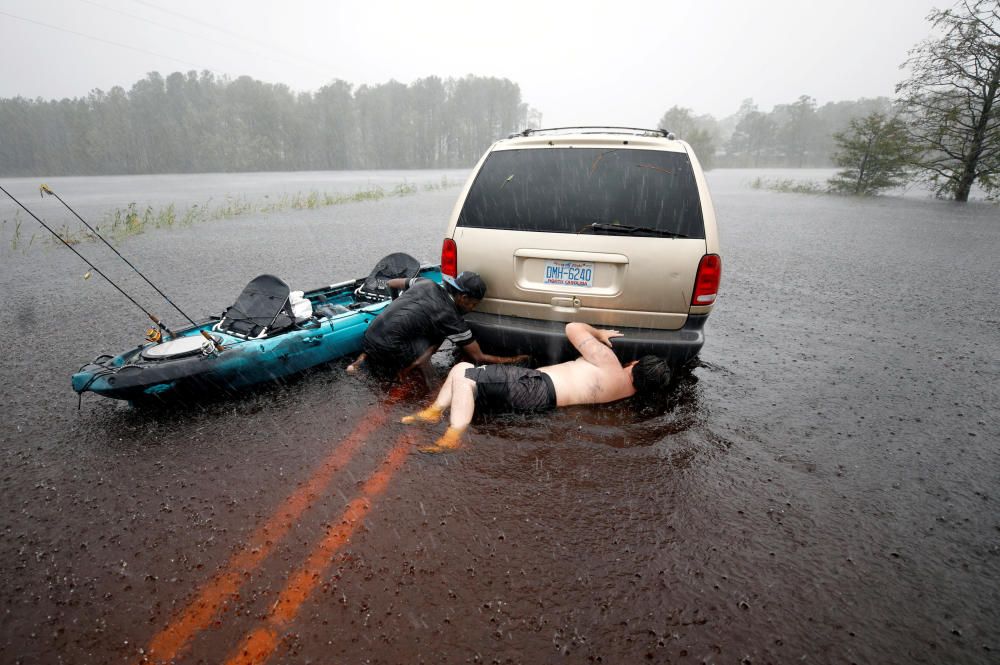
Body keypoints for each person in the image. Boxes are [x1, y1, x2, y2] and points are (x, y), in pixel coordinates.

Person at [401, 322, 673, 452]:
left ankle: (453, 435)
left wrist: (599, 334)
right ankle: (435, 410)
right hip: (539, 400)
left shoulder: (610, 364)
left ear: (634, 363)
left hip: (535, 385)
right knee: (461, 369)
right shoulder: (625, 392)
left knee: (466, 378)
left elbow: (573, 328)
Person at [347, 270, 528, 380]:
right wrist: (514, 360)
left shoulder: (425, 282)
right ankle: (408, 368)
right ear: (463, 297)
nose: (472, 309)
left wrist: (395, 303)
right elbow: (478, 357)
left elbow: (390, 283)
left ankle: (359, 362)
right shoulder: (452, 319)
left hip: (371, 335)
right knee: (439, 336)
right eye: (473, 304)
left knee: (397, 328)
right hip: (391, 348)